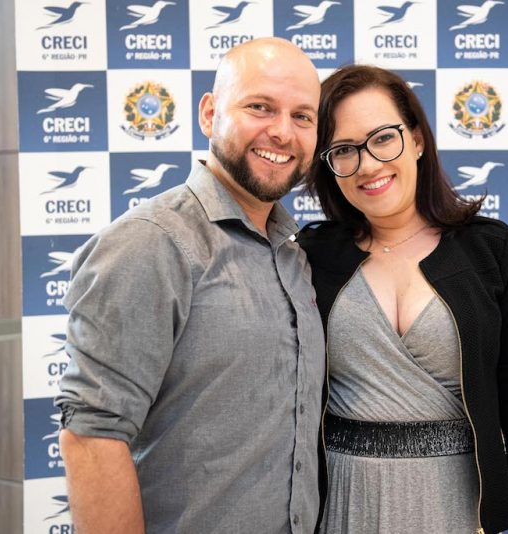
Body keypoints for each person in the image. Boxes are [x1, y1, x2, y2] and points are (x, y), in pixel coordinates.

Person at [55, 38, 326, 534]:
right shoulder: (150, 243)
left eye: (302, 116)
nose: (282, 131)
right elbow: (92, 437)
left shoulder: (291, 253)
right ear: (209, 114)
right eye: (260, 107)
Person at [296, 65, 508, 534]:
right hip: (340, 507)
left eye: (383, 138)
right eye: (344, 150)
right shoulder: (308, 256)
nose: (368, 165)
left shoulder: (491, 249)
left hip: (457, 509)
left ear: (416, 139)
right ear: (328, 165)